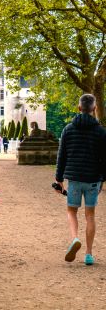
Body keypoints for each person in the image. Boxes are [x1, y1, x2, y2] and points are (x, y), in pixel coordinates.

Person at [55, 94, 106, 265]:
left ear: (79, 108)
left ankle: (75, 238)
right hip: (93, 179)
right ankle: (89, 254)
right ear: (94, 109)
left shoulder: (68, 129)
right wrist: (103, 179)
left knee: (71, 211)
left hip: (74, 178)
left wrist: (59, 178)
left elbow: (62, 156)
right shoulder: (101, 131)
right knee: (90, 215)